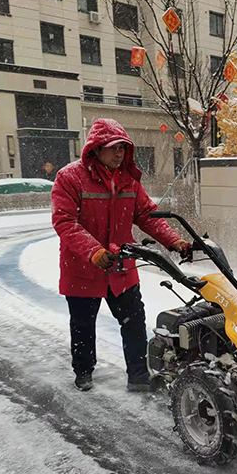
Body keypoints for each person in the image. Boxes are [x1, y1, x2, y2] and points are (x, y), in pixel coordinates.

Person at [51, 118, 189, 392]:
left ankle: (138, 376)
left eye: (123, 149)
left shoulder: (128, 181)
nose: (119, 154)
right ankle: (84, 370)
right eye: (113, 148)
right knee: (82, 325)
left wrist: (174, 241)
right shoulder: (70, 178)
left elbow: (147, 216)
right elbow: (65, 221)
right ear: (95, 149)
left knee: (134, 322)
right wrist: (93, 251)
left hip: (121, 267)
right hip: (83, 266)